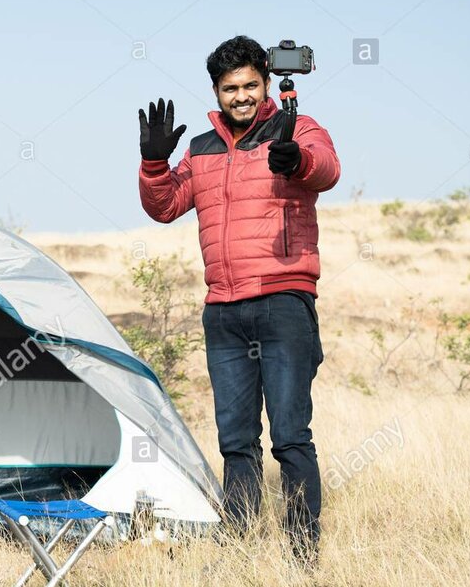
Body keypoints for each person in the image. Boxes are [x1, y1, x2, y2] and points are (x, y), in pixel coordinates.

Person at [136, 35, 340, 561]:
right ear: (217, 91)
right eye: (231, 88)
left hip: (283, 302)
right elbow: (165, 207)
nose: (242, 96)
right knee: (235, 441)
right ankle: (242, 550)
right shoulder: (201, 148)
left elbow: (326, 169)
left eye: (251, 84)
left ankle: (302, 555)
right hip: (223, 311)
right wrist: (155, 167)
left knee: (291, 436)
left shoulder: (297, 128)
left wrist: (296, 162)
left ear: (267, 82)